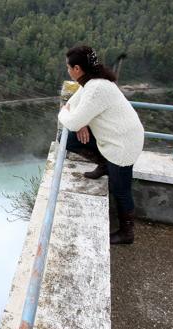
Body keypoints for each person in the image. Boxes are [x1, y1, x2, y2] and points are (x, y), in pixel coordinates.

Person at [58, 46, 144, 244]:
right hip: (113, 137)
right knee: (72, 140)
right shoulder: (91, 83)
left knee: (120, 188)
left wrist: (64, 112)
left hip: (123, 144)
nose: (68, 70)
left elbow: (70, 119)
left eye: (68, 67)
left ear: (77, 68)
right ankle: (105, 164)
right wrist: (82, 121)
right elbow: (75, 103)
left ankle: (127, 233)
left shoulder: (96, 88)